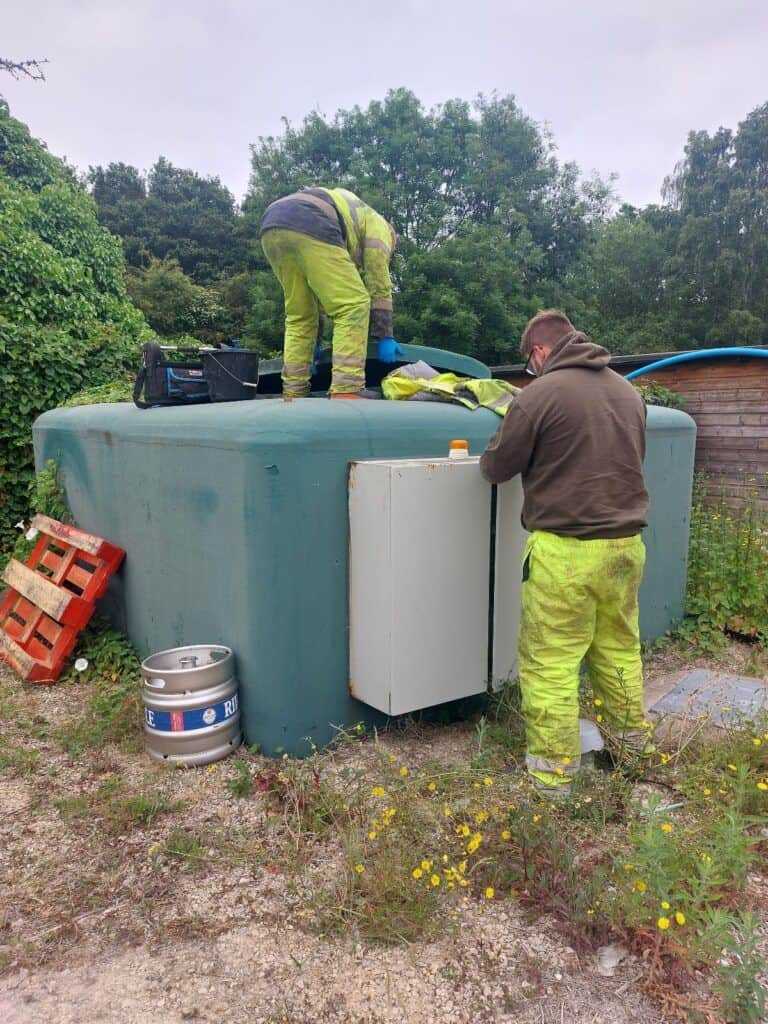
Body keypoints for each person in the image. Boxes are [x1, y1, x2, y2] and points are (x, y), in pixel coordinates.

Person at [480, 309, 651, 792]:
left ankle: (555, 780)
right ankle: (633, 754)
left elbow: (497, 466)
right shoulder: (628, 392)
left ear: (538, 352)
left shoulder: (539, 396)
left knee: (551, 662)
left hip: (566, 553)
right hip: (626, 548)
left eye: (528, 361)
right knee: (619, 651)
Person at [260, 187, 401, 398]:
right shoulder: (380, 228)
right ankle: (347, 390)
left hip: (272, 224)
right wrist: (385, 335)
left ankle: (293, 392)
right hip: (312, 219)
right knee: (354, 304)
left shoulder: (352, 222)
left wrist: (314, 344)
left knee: (300, 315)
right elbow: (378, 282)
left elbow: (320, 298)